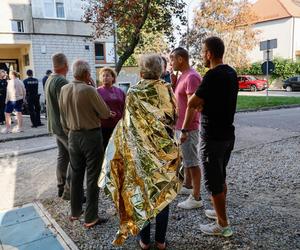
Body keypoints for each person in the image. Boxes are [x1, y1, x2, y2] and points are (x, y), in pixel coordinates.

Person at [98, 54, 180, 249]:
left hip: (140, 152)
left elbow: (128, 124)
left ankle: (144, 240)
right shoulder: (166, 89)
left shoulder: (134, 92)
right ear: (160, 70)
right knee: (162, 193)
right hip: (163, 151)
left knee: (142, 193)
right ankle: (160, 241)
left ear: (142, 71)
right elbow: (173, 117)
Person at [182, 36, 238, 237]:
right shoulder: (231, 73)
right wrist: (203, 104)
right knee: (221, 176)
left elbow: (191, 103)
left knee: (213, 183)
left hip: (212, 137)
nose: (202, 56)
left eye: (203, 52)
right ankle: (217, 212)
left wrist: (200, 106)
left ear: (210, 53)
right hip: (227, 136)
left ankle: (223, 226)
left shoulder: (212, 75)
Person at [59, 59, 111, 228]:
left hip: (73, 135)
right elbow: (104, 113)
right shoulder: (89, 90)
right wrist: (93, 87)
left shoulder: (64, 89)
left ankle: (75, 212)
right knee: (93, 176)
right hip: (91, 136)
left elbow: (62, 118)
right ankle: (91, 217)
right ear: (87, 74)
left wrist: (71, 131)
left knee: (75, 174)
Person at [169, 47, 203, 209]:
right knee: (186, 160)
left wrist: (184, 129)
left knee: (192, 162)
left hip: (187, 128)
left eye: (172, 59)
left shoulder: (192, 77)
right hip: (181, 126)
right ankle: (188, 186)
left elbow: (192, 106)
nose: (171, 63)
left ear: (180, 59)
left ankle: (196, 197)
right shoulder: (183, 76)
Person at [45, 53, 71, 199]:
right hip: (63, 126)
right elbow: (68, 106)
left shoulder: (50, 79)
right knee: (76, 159)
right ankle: (69, 192)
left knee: (63, 156)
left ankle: (61, 187)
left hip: (55, 125)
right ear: (65, 64)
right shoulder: (61, 81)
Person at [97, 67, 126, 149]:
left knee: (118, 148)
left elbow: (124, 107)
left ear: (113, 78)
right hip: (103, 126)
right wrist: (107, 114)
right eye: (103, 76)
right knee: (105, 148)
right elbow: (95, 109)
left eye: (107, 75)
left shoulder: (120, 91)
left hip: (118, 125)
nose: (105, 77)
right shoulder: (97, 92)